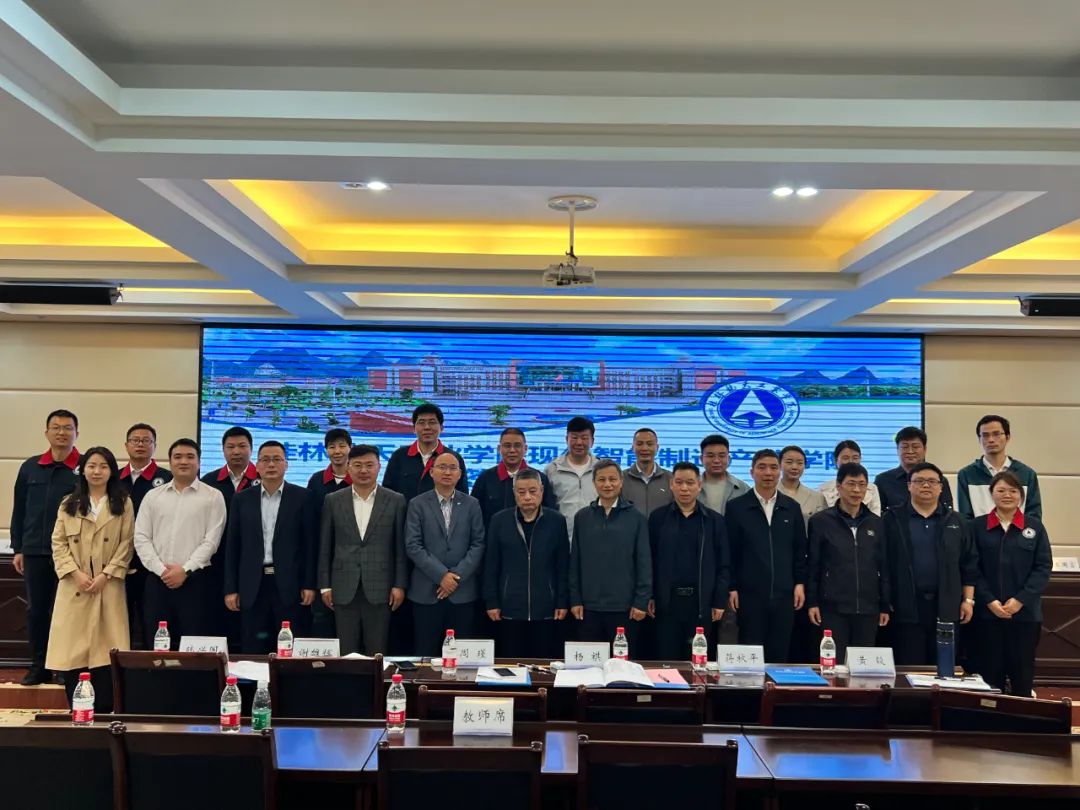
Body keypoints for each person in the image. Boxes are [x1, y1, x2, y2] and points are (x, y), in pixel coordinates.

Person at [46, 447, 134, 712]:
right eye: (92, 466)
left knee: (107, 651)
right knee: (74, 652)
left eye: (103, 466)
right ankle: (78, 710)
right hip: (76, 586)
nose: (97, 471)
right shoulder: (69, 503)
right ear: (82, 470)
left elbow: (127, 543)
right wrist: (76, 573)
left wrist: (107, 574)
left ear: (112, 471)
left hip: (109, 585)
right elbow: (58, 543)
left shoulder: (123, 503)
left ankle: (105, 710)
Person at [10, 409, 81, 685]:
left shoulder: (84, 467)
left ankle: (65, 667)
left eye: (68, 428)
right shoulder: (30, 467)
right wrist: (19, 547)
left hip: (72, 554)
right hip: (35, 551)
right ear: (47, 432)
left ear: (76, 433)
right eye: (56, 427)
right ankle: (39, 666)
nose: (62, 432)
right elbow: (20, 510)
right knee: (37, 611)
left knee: (67, 612)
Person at [883, 462, 978, 665]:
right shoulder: (892, 519)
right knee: (909, 666)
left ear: (941, 487)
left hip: (946, 605)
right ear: (909, 486)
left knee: (944, 666)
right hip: (906, 607)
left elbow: (969, 563)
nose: (926, 485)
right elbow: (882, 564)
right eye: (919, 481)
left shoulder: (957, 521)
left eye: (932, 481)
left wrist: (968, 601)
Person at [134, 439, 226, 648]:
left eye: (190, 457)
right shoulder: (153, 496)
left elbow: (211, 541)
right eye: (178, 457)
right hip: (158, 581)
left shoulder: (213, 497)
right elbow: (141, 537)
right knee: (157, 645)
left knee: (194, 645)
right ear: (170, 462)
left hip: (196, 581)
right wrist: (162, 571)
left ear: (199, 462)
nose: (183, 461)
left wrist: (185, 570)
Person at [224, 441, 315, 653]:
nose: (271, 464)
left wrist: (309, 584)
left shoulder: (303, 497)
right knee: (252, 647)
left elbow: (310, 545)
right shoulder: (242, 499)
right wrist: (231, 588)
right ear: (257, 465)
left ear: (286, 464)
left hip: (290, 585)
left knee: (289, 648)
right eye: (265, 460)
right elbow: (233, 546)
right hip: (252, 585)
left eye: (276, 459)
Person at [319, 445, 408, 656]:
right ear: (348, 468)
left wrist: (399, 584)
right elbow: (325, 545)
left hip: (381, 585)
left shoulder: (396, 500)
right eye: (357, 465)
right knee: (346, 650)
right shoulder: (333, 500)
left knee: (377, 650)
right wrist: (324, 585)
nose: (364, 470)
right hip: (342, 584)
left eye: (369, 465)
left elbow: (400, 547)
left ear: (379, 467)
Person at [972, 470, 1052, 696]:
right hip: (987, 614)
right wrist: (989, 601)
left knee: (1022, 675)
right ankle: (989, 718)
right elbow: (971, 568)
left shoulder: (1035, 527)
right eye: (1001, 490)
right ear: (991, 494)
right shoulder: (976, 527)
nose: (1007, 495)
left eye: (1013, 491)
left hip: (1025, 616)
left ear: (1021, 496)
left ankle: (1021, 716)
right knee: (989, 676)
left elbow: (1043, 567)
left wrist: (1020, 600)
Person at [726, 450, 807, 664]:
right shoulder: (736, 508)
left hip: (785, 594)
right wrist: (732, 587)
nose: (768, 473)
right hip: (749, 595)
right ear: (751, 472)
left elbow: (800, 550)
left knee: (779, 653)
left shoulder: (791, 508)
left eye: (773, 467)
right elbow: (730, 551)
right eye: (762, 467)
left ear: (779, 472)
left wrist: (800, 583)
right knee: (750, 654)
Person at [807, 463, 890, 662]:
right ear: (838, 486)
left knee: (863, 663)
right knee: (833, 663)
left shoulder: (877, 523)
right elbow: (814, 565)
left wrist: (885, 605)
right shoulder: (820, 521)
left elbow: (884, 566)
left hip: (868, 607)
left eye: (862, 485)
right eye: (851, 484)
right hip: (833, 607)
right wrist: (812, 602)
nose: (856, 490)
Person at [483, 468, 569, 658]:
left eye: (532, 491)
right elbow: (491, 565)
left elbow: (562, 566)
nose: (527, 497)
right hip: (509, 606)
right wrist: (492, 601)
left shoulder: (556, 521)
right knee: (511, 662)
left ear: (542, 491)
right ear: (514, 493)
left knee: (543, 662)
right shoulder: (499, 521)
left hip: (546, 606)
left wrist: (562, 601)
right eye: (521, 492)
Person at [405, 452, 485, 655]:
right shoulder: (417, 504)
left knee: (461, 655)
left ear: (460, 474)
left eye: (452, 468)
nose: (447, 472)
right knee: (425, 653)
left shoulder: (472, 504)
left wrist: (455, 577)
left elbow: (478, 544)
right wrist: (441, 575)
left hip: (462, 592)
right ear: (431, 472)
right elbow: (413, 545)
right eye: (442, 467)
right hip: (426, 592)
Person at [647, 462, 728, 660]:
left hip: (701, 603)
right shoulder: (658, 518)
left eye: (690, 483)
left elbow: (724, 564)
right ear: (671, 484)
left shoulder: (714, 520)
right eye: (679, 482)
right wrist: (650, 595)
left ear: (699, 486)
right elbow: (649, 560)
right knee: (666, 659)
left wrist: (719, 600)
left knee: (698, 660)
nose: (684, 488)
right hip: (667, 602)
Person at [569, 460, 652, 647]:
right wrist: (575, 599)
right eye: (602, 480)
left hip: (625, 608)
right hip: (588, 608)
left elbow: (644, 563)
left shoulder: (636, 518)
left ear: (621, 481)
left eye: (612, 479)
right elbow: (575, 562)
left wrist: (641, 602)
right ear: (594, 483)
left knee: (622, 660)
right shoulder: (582, 517)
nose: (607, 484)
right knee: (590, 660)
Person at [201, 426, 257, 645]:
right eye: (231, 447)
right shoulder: (209, 481)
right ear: (223, 450)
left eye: (242, 446)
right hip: (217, 562)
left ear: (251, 449)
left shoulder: (264, 478)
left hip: (254, 563)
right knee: (219, 622)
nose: (236, 451)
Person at [118, 422, 172, 648]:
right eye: (135, 440)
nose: (140, 444)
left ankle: (154, 664)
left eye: (146, 441)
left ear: (154, 446)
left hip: (154, 564)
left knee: (153, 621)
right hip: (119, 561)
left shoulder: (167, 478)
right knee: (120, 622)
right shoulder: (114, 479)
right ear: (126, 445)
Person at [305, 428, 354, 638]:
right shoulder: (316, 481)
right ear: (326, 450)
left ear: (350, 448)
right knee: (322, 621)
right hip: (323, 558)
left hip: (352, 559)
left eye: (342, 445)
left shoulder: (360, 479)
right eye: (332, 446)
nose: (337, 451)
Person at [957, 415, 1043, 522]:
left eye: (996, 434)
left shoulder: (1026, 474)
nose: (991, 440)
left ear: (1007, 437)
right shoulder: (967, 474)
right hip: (979, 532)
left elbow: (1033, 517)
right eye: (985, 435)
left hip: (1017, 532)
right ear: (979, 439)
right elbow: (965, 518)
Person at [383, 403, 468, 502]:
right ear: (414, 428)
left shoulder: (453, 458)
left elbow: (463, 497)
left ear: (441, 428)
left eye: (432, 422)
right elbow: (388, 494)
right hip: (406, 512)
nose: (427, 427)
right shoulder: (399, 456)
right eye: (421, 422)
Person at [471, 427, 555, 526]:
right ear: (499, 449)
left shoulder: (539, 478)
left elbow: (550, 514)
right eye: (507, 446)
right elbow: (474, 515)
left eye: (517, 446)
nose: (512, 450)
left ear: (525, 449)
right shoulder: (485, 478)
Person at [875, 426, 954, 511]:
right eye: (905, 447)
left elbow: (948, 514)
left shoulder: (938, 480)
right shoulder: (883, 480)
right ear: (897, 450)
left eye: (915, 447)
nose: (910, 451)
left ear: (925, 450)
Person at [545, 416, 599, 538]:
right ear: (566, 439)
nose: (579, 442)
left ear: (592, 441)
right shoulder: (552, 469)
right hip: (561, 538)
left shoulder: (602, 469)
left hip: (596, 538)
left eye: (584, 438)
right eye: (574, 437)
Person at [818, 440, 882, 515]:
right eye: (845, 458)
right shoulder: (823, 489)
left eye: (855, 458)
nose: (851, 461)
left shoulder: (872, 489)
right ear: (835, 461)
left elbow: (875, 517)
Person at [622, 427, 673, 517]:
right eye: (639, 444)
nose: (645, 448)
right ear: (633, 448)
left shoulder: (671, 478)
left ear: (657, 447)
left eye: (649, 444)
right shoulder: (621, 478)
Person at [697, 434, 749, 516]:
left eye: (721, 456)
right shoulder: (691, 487)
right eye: (710, 456)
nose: (716, 460)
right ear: (701, 459)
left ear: (728, 459)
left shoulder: (743, 488)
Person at [778, 445, 827, 529]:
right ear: (779, 464)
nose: (794, 467)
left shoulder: (817, 497)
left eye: (800, 463)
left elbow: (823, 528)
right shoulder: (769, 493)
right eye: (789, 462)